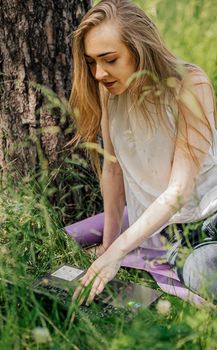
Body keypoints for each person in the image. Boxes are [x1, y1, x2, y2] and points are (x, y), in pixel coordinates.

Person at [68, 0, 217, 305]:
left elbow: (179, 191)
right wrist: (109, 251)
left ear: (140, 50)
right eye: (92, 61)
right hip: (178, 237)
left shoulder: (190, 84)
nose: (98, 73)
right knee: (203, 271)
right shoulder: (110, 93)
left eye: (109, 59)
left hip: (211, 213)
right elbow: (112, 170)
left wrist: (118, 251)